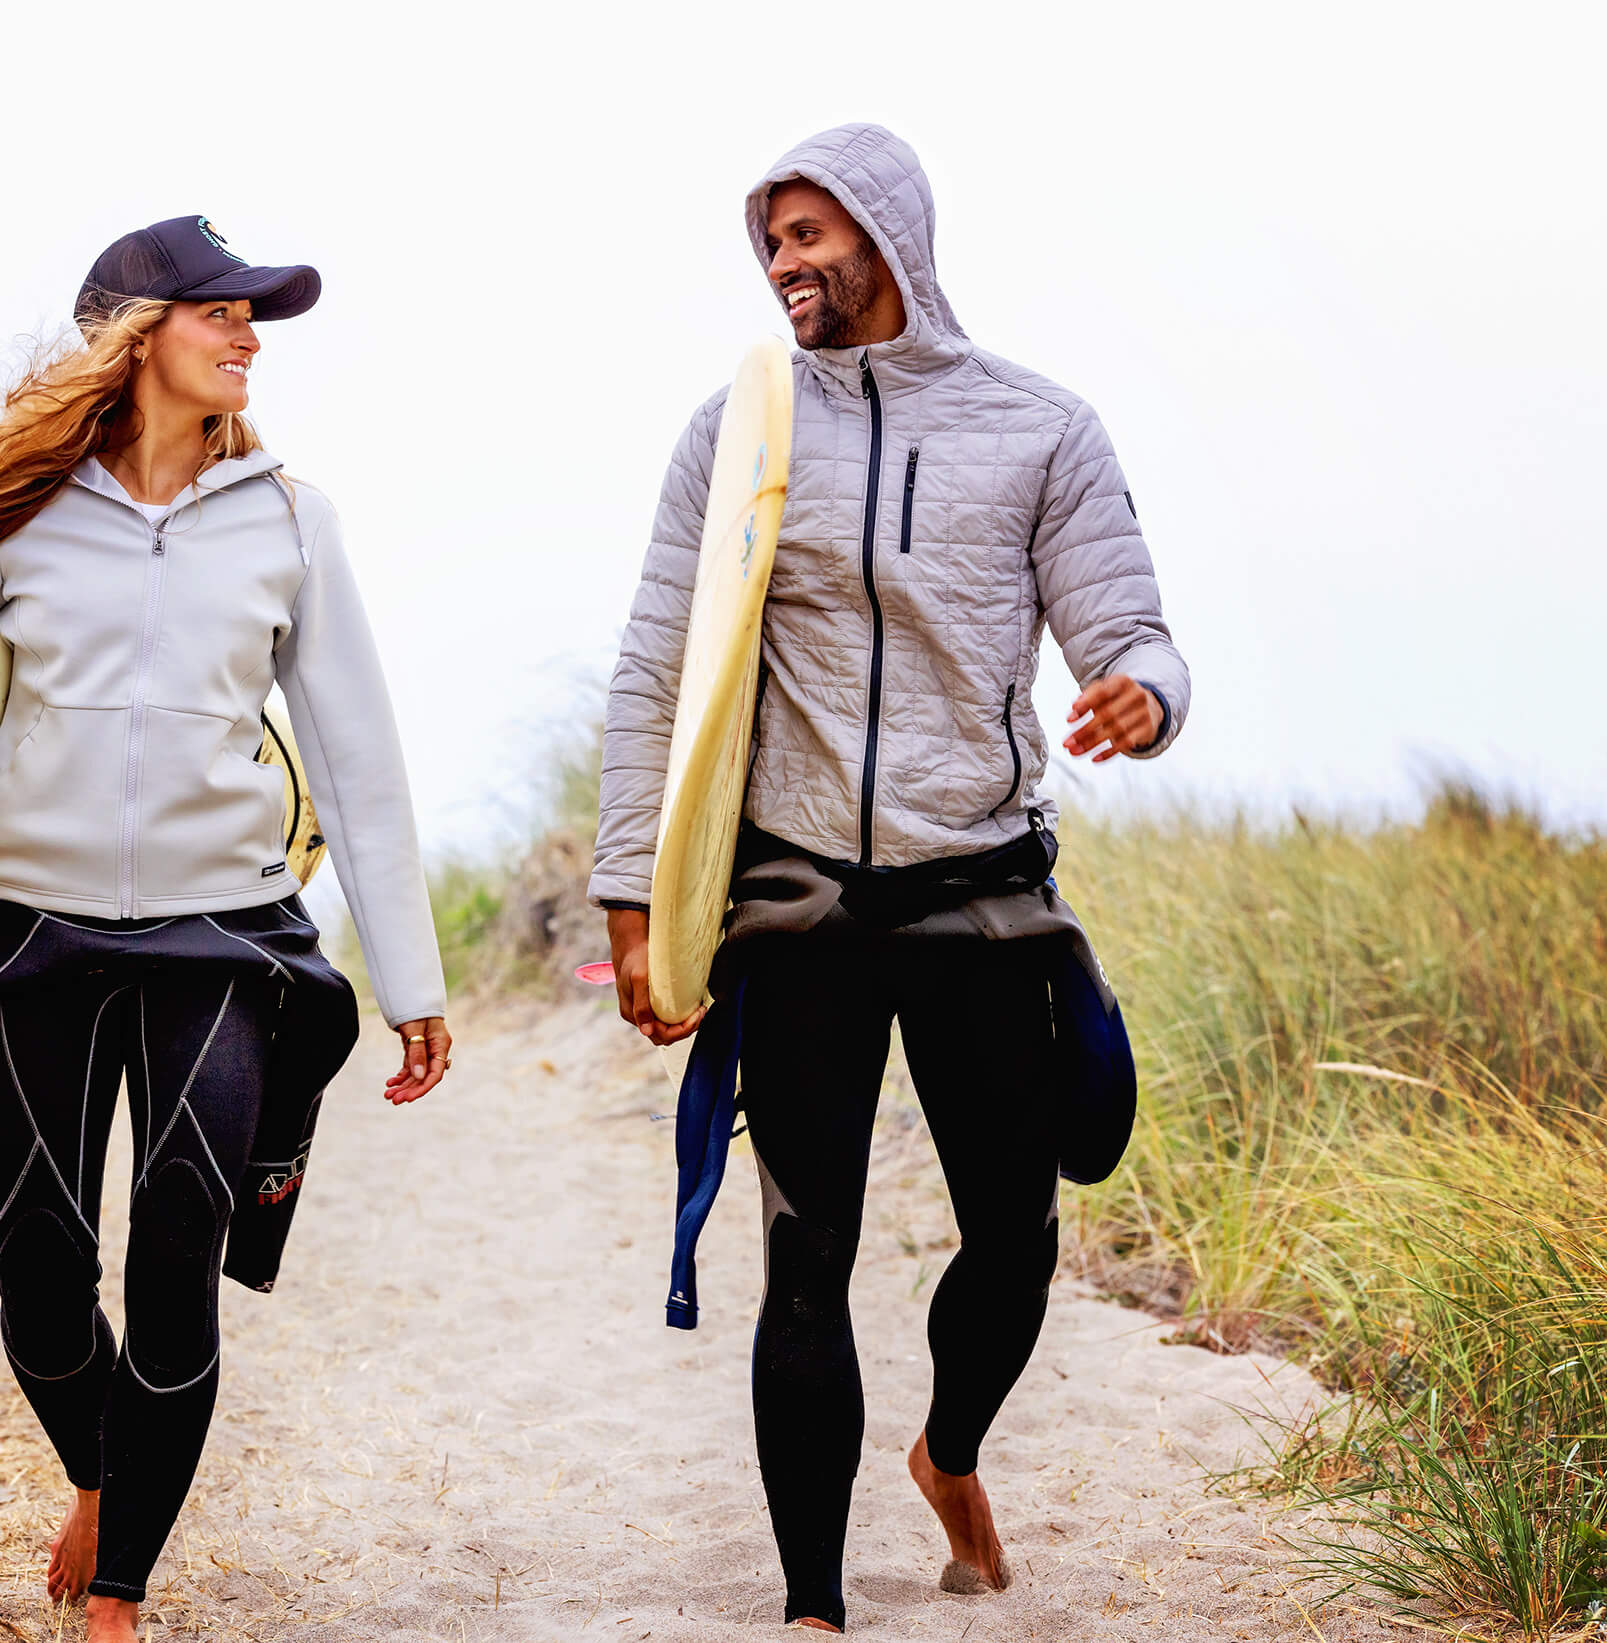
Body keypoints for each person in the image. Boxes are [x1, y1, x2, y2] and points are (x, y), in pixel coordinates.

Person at [589, 125, 1190, 1630]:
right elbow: (658, 666)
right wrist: (630, 888)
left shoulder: (1039, 430)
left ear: (885, 231)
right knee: (808, 1255)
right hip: (800, 911)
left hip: (981, 900)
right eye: (768, 245)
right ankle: (811, 1605)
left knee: (1013, 1236)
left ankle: (950, 1449)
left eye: (806, 235)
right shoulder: (738, 436)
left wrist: (1142, 695)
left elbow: (1133, 627)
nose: (784, 265)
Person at [0, 215, 452, 1643]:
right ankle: (100, 1474)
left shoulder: (292, 520)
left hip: (218, 941)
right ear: (134, 336)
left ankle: (120, 1592)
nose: (250, 336)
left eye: (256, 316)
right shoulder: (23, 514)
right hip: (33, 938)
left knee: (173, 1250)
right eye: (221, 313)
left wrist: (413, 978)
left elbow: (357, 759)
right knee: (43, 1270)